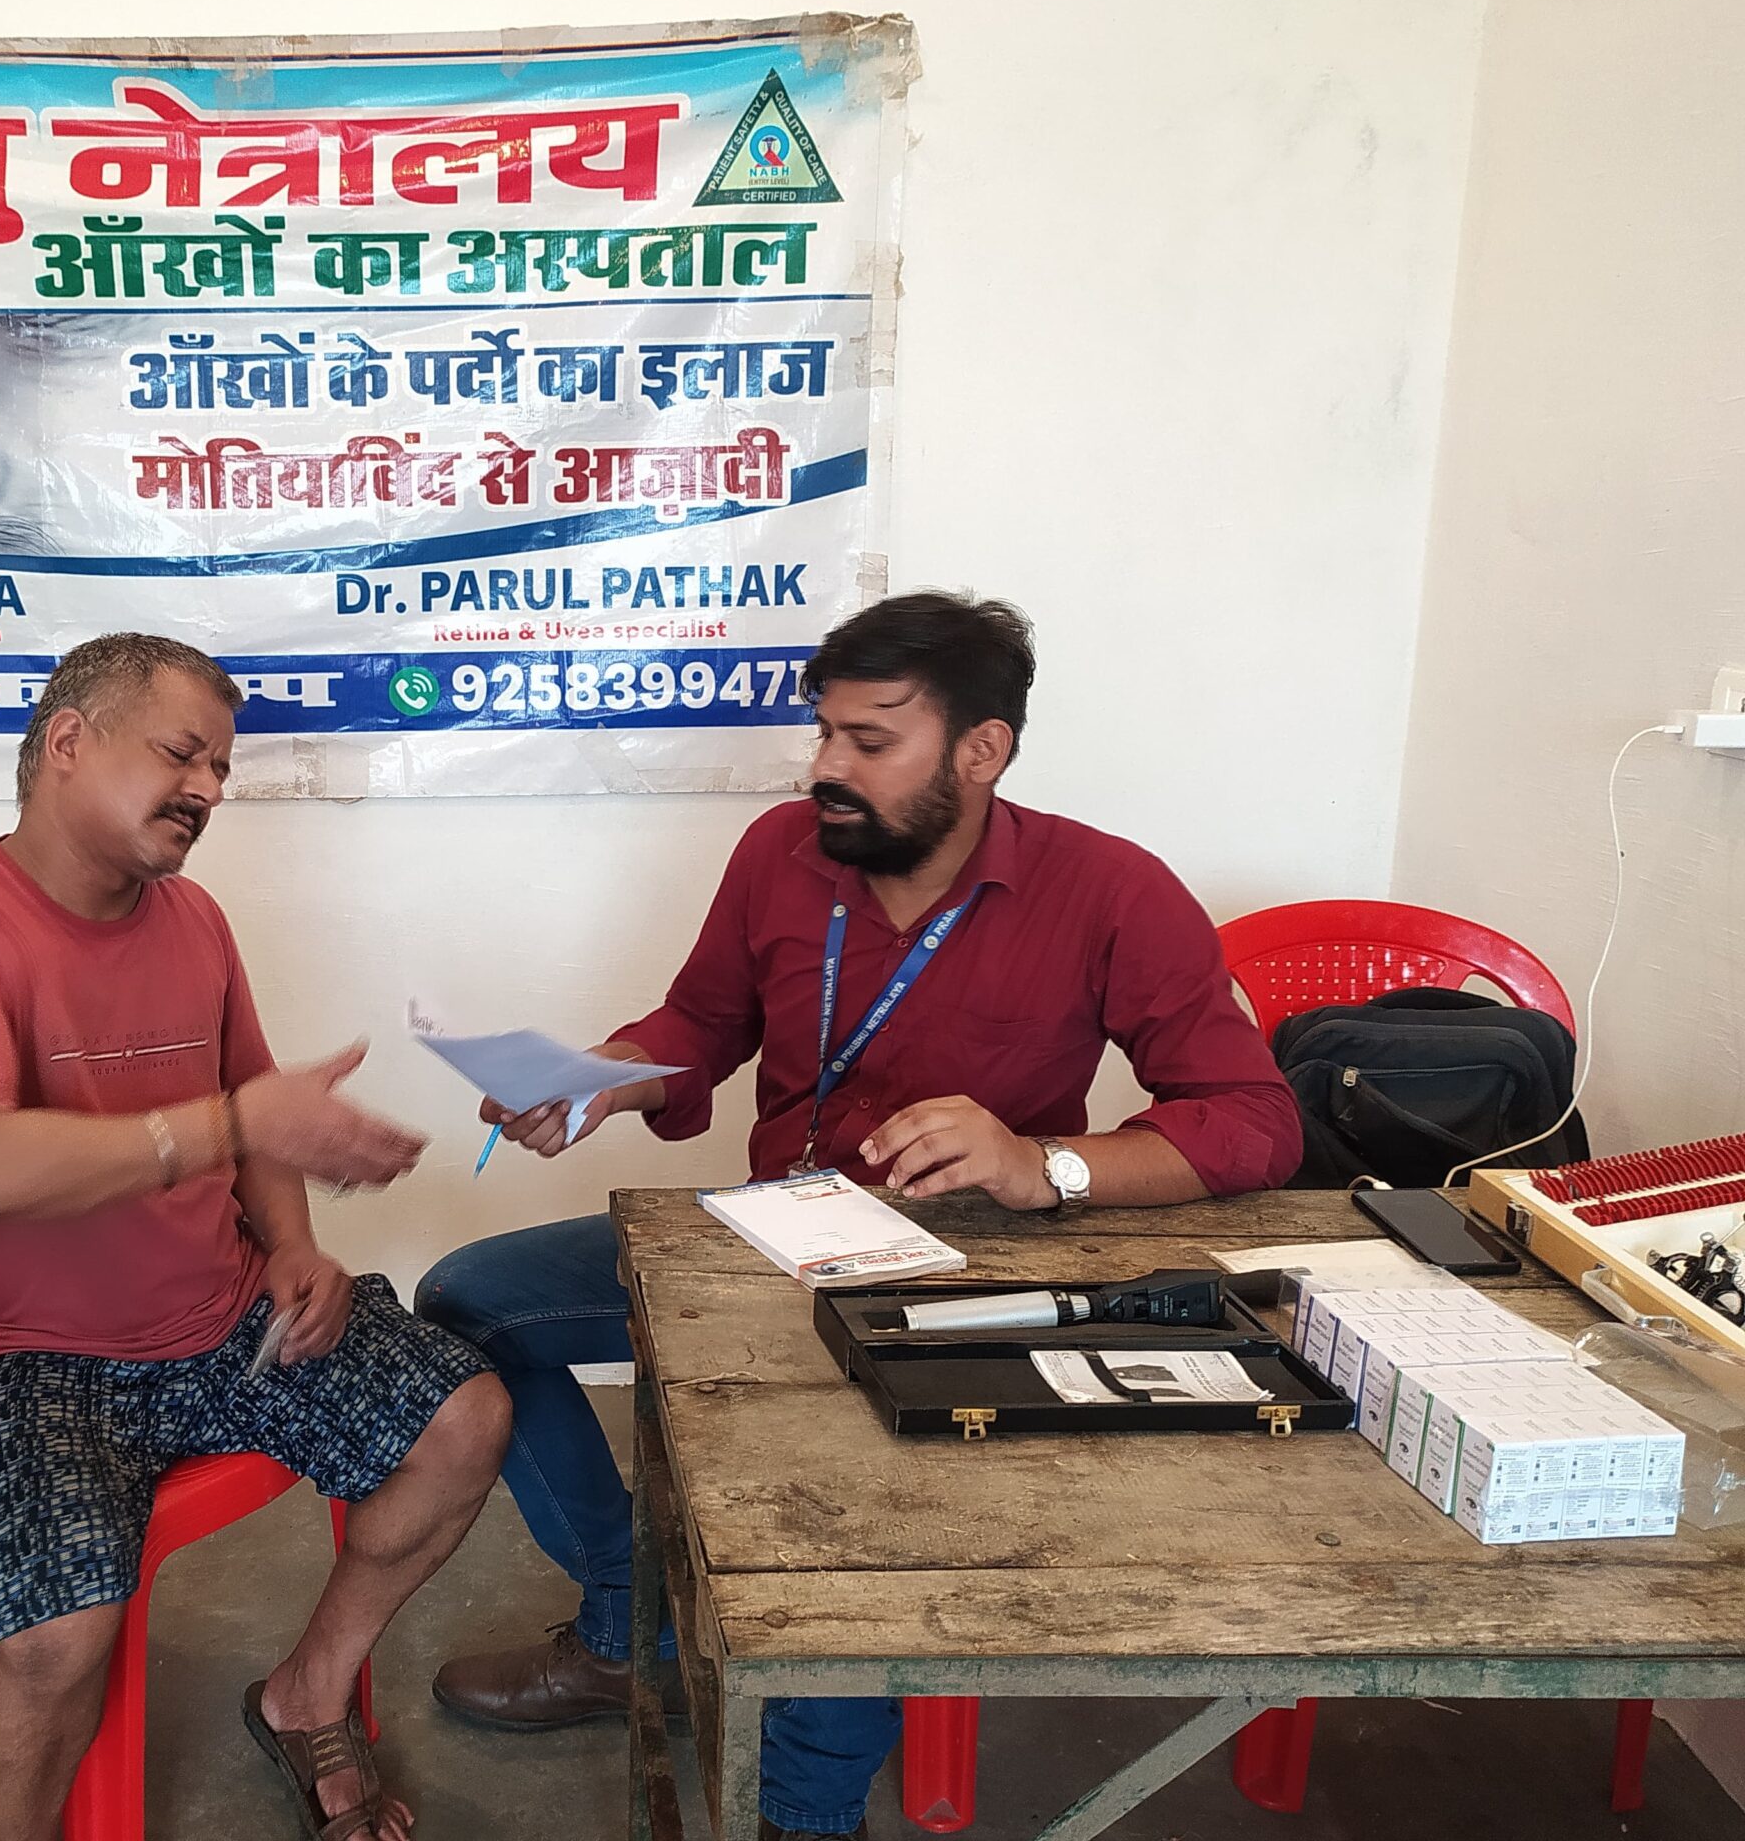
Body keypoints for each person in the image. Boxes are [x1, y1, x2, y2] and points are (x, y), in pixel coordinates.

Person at [415, 591, 1301, 1841]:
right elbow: (701, 1024)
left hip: (961, 1270)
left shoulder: (1108, 890)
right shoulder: (782, 853)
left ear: (981, 751)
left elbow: (1254, 1120)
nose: (826, 768)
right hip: (760, 1234)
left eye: (869, 741)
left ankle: (806, 1815)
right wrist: (602, 1079)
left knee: (836, 1503)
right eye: (824, 733)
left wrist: (1039, 1163)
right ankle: (632, 1628)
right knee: (467, 1303)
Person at [0, 633, 512, 1841]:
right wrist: (229, 1125)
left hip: (223, 1320)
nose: (208, 788)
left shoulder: (193, 920)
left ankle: (306, 1693)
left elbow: (256, 1108)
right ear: (68, 742)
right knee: (55, 1632)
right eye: (182, 754)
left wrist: (294, 1247)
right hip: (15, 1353)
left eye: (220, 766)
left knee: (462, 1420)